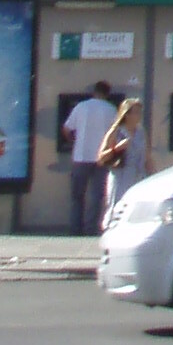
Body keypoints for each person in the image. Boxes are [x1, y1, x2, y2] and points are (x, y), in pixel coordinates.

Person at [63, 79, 119, 234]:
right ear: (107, 94)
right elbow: (116, 134)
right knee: (97, 197)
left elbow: (67, 129)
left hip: (81, 157)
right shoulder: (111, 109)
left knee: (77, 197)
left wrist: (74, 142)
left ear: (94, 91)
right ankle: (90, 229)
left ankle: (75, 230)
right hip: (102, 158)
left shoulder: (81, 107)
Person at [98, 97, 146, 221]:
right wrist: (117, 148)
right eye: (136, 112)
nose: (139, 116)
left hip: (138, 175)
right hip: (120, 175)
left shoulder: (141, 133)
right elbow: (101, 158)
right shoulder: (116, 132)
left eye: (140, 112)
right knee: (118, 208)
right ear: (127, 114)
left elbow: (147, 156)